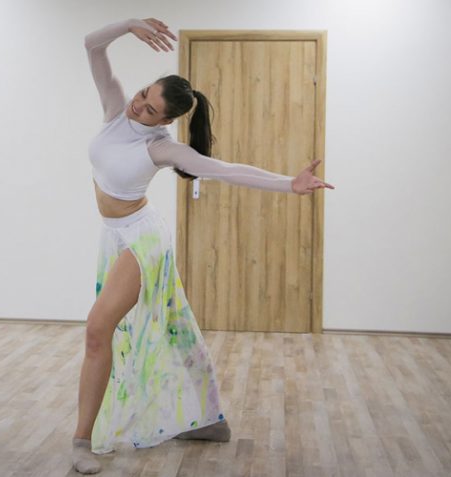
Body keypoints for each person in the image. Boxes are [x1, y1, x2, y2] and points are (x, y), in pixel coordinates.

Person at [72, 17, 334, 474]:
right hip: (111, 234)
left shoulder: (161, 148)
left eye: (150, 110)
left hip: (141, 239)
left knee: (97, 330)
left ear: (165, 122)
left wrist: (288, 184)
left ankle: (81, 442)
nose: (138, 106)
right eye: (143, 95)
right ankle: (205, 419)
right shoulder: (116, 110)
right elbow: (92, 47)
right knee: (171, 325)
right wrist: (129, 24)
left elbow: (226, 170)